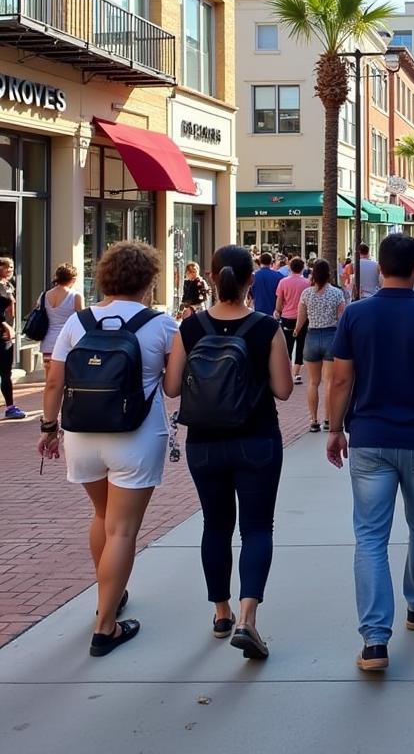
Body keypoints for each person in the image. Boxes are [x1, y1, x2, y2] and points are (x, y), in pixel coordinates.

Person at [325, 234, 414, 672]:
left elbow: (340, 381)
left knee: (370, 535)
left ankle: (374, 640)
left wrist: (334, 429)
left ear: (380, 268)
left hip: (369, 438)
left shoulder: (355, 315)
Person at [38, 242, 178, 656]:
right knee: (123, 529)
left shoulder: (78, 323)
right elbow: (171, 388)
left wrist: (48, 429)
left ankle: (110, 597)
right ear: (148, 280)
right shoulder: (161, 324)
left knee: (101, 516)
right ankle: (105, 626)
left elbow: (52, 383)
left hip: (81, 434)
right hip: (135, 435)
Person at [165, 245, 293, 661]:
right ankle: (247, 618)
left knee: (215, 526)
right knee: (258, 528)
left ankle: (220, 612)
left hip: (204, 442)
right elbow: (284, 390)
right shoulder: (265, 328)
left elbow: (170, 387)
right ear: (249, 281)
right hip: (256, 438)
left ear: (213, 276)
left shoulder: (190, 327)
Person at [295, 259, 346, 432]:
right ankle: (328, 419)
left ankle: (313, 420)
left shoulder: (306, 294)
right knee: (329, 382)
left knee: (313, 382)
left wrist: (296, 330)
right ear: (329, 274)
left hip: (312, 336)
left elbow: (301, 316)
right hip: (331, 336)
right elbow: (342, 317)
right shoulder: (336, 293)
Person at [39, 263, 85, 381]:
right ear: (73, 279)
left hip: (48, 341)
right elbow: (83, 319)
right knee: (68, 380)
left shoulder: (44, 295)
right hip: (68, 341)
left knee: (50, 381)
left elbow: (38, 312)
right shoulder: (76, 296)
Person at [275, 257, 309, 384]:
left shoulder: (283, 282)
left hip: (287, 317)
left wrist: (278, 311)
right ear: (302, 268)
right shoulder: (307, 283)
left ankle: (287, 373)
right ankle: (297, 373)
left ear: (290, 267)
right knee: (300, 345)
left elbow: (279, 301)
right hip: (303, 318)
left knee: (287, 346)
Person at [0, 294, 19, 418]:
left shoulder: (8, 286)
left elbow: (11, 312)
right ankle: (10, 408)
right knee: (5, 374)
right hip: (3, 336)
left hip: (4, 338)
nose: (10, 272)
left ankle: (10, 407)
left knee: (6, 374)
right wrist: (6, 326)